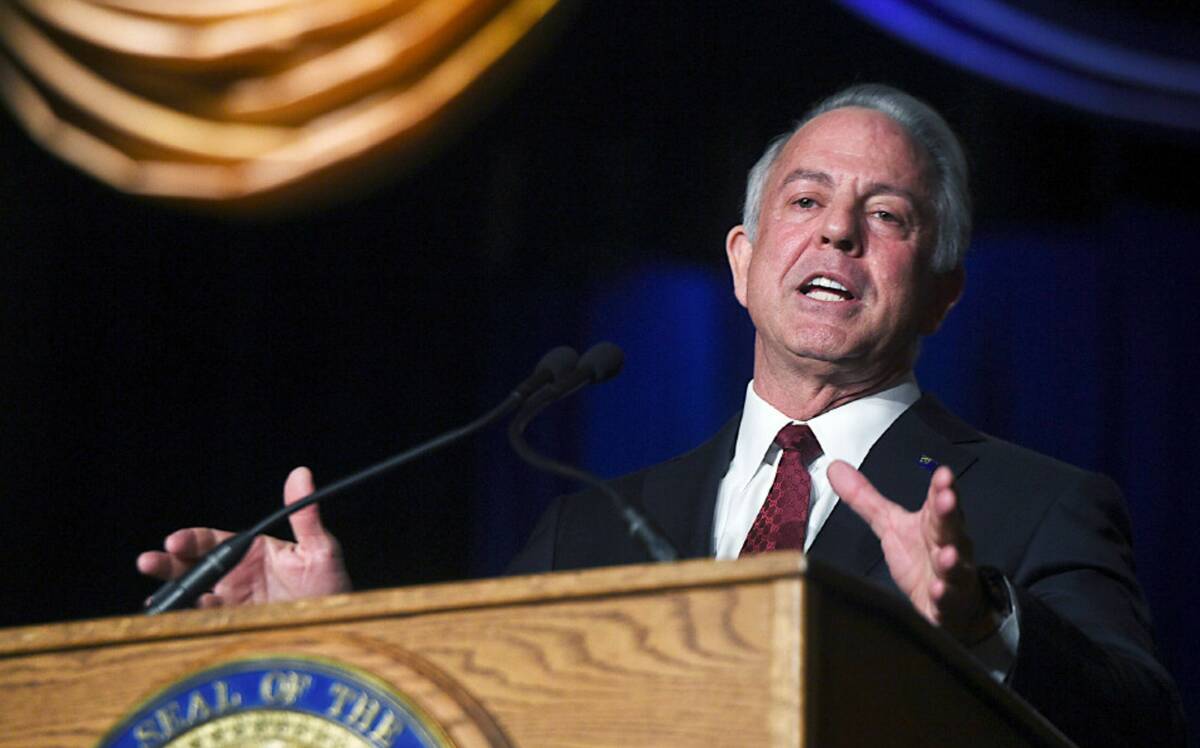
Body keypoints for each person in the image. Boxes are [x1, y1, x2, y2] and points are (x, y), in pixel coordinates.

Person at [138, 84, 1186, 746]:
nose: (838, 236)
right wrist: (331, 642)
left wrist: (986, 620)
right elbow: (471, 728)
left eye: (889, 215)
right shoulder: (588, 525)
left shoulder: (1039, 506)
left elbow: (1144, 729)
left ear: (946, 288)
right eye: (806, 202)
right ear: (742, 260)